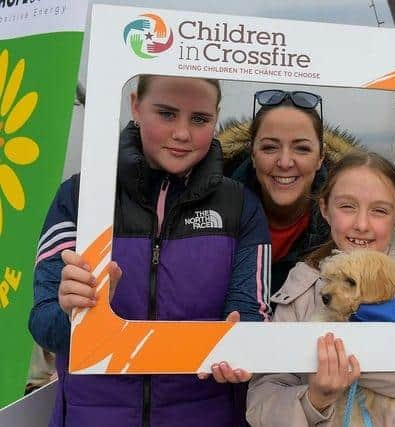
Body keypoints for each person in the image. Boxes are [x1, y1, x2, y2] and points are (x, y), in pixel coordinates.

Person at [28, 75, 271, 427]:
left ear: (216, 117)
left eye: (199, 119)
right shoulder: (79, 197)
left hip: (205, 415)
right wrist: (71, 312)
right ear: (135, 106)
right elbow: (42, 324)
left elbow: (250, 317)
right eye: (167, 114)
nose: (183, 133)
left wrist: (241, 343)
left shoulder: (241, 207)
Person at [246, 151, 395, 426]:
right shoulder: (301, 285)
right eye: (347, 206)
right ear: (324, 209)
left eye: (379, 211)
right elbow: (262, 399)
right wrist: (315, 399)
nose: (361, 225)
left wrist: (319, 362)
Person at [219, 89, 356, 300]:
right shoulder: (207, 211)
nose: (284, 162)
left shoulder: (350, 225)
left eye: (301, 149)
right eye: (269, 147)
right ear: (252, 155)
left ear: (320, 157)